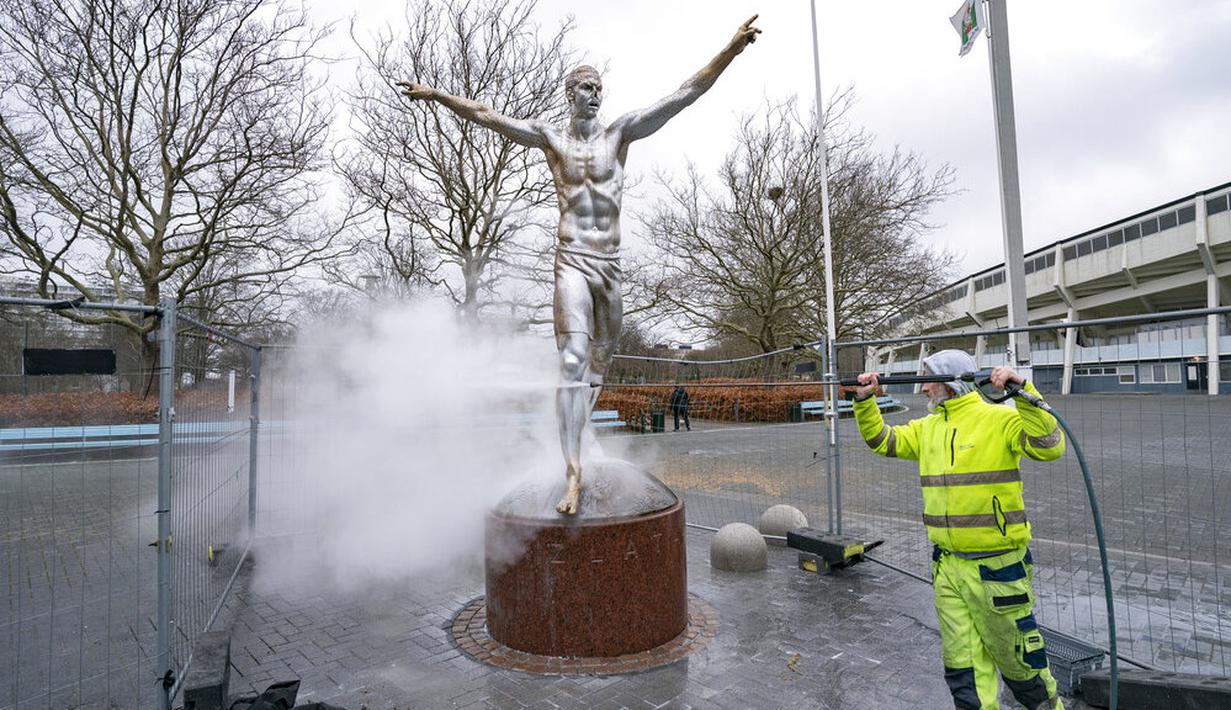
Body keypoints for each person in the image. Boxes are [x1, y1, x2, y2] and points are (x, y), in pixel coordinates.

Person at [398, 17, 761, 514]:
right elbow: (485, 115)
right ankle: (572, 472)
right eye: (586, 88)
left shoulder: (620, 134)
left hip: (610, 266)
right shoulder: (552, 139)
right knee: (571, 363)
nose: (594, 95)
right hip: (571, 258)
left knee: (597, 367)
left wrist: (730, 50)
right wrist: (436, 94)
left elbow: (684, 94)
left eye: (598, 88)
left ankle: (579, 437)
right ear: (569, 93)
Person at [853, 350, 1066, 710]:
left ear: (950, 384)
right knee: (964, 671)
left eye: (928, 380)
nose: (922, 389)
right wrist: (864, 403)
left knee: (1022, 667)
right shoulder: (928, 428)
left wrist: (1024, 392)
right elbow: (883, 441)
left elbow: (1050, 446)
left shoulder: (1001, 419)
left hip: (998, 569)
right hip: (947, 568)